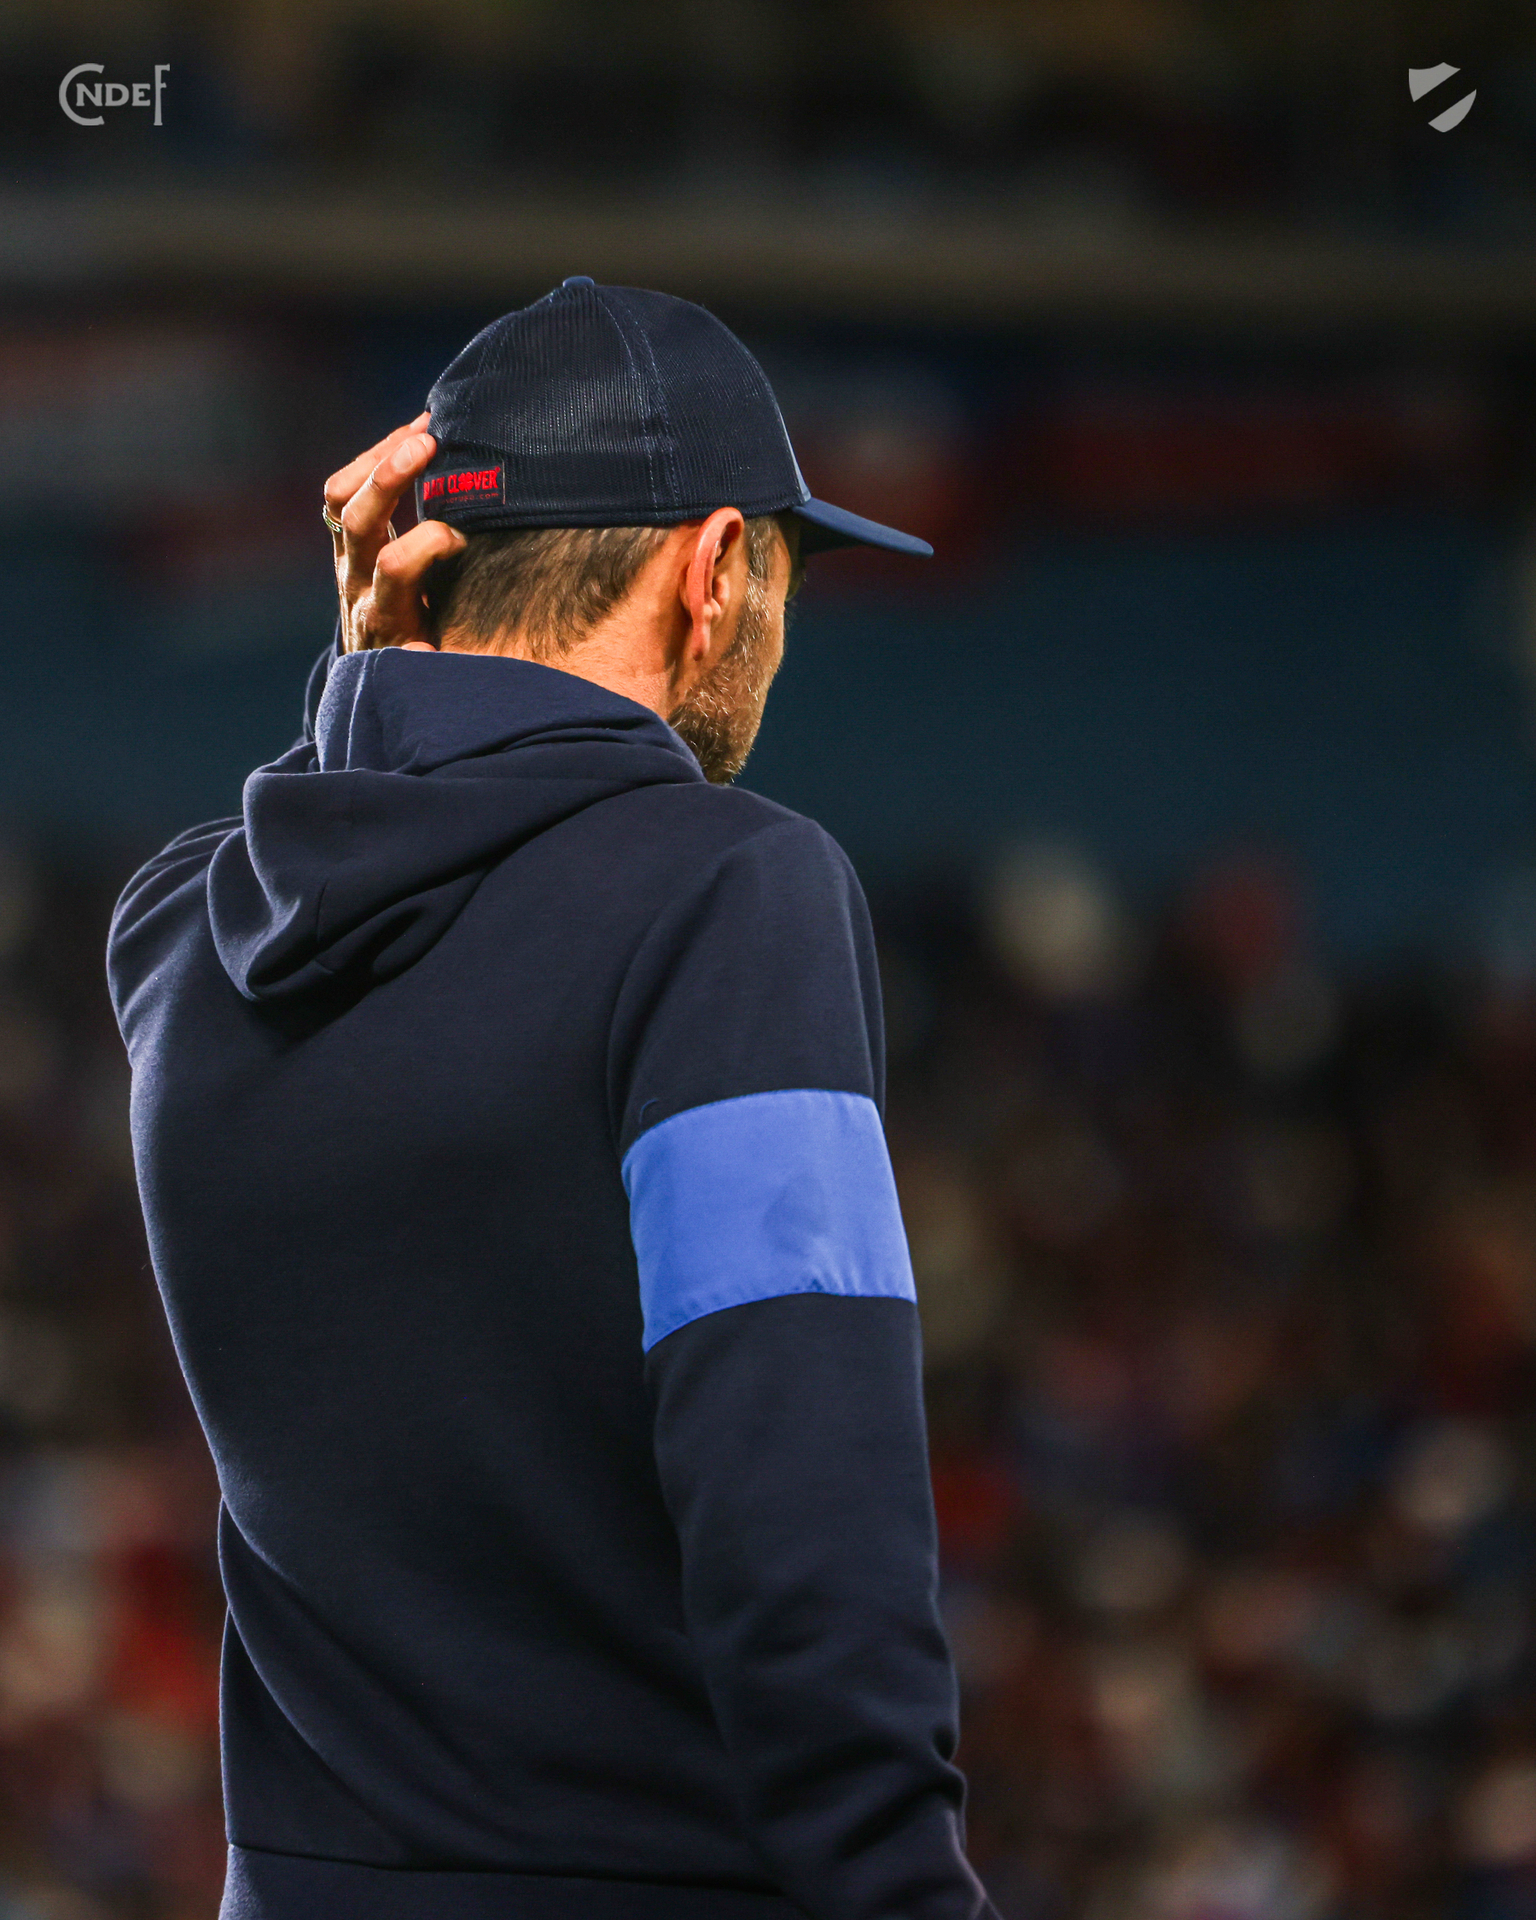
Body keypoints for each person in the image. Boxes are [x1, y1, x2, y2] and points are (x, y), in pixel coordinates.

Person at [108, 278, 997, 1920]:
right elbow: (802, 1504)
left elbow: (338, 852)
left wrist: (373, 707)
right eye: (786, 573)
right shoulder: (731, 892)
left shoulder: (184, 934)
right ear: (715, 569)